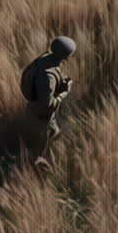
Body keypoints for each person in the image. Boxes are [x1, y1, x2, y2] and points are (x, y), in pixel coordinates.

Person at [19, 36, 76, 167]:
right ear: (64, 56)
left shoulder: (45, 58)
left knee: (54, 135)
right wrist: (65, 92)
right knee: (41, 147)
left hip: (33, 109)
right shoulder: (47, 77)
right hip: (42, 118)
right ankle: (36, 170)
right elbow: (47, 105)